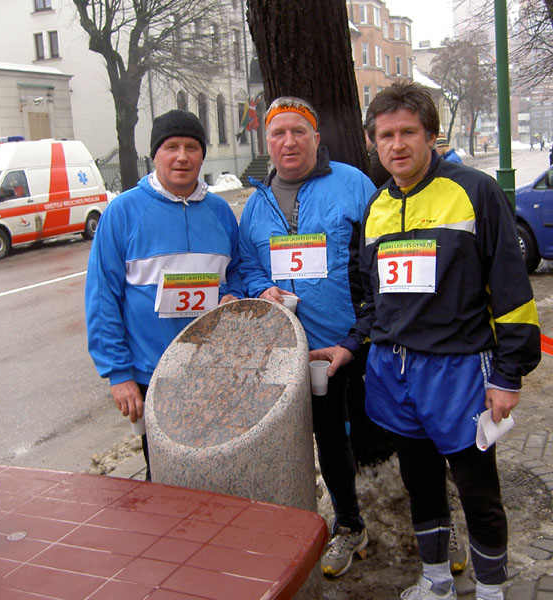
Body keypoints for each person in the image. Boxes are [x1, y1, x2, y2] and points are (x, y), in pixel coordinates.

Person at [311, 81, 541, 600]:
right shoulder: (375, 210)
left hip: (460, 372)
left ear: (431, 135)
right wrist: (355, 342)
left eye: (408, 132)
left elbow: (512, 288)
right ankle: (435, 580)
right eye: (386, 135)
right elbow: (370, 298)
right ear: (372, 142)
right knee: (421, 483)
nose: (397, 145)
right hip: (395, 374)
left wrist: (508, 376)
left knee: (478, 491)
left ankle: (490, 591)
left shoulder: (473, 191)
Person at [238, 96, 375, 578]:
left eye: (299, 131)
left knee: (404, 426)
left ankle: (437, 521)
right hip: (303, 350)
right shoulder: (255, 205)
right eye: (278, 133)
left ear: (317, 139)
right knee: (327, 438)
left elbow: (377, 257)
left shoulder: (353, 184)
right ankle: (349, 524)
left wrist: (367, 325)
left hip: (361, 338)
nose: (289, 141)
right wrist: (262, 288)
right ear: (267, 142)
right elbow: (246, 267)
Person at [85, 109, 243, 480]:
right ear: (155, 154)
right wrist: (118, 373)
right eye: (171, 146)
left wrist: (233, 293)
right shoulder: (123, 212)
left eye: (191, 147)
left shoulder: (220, 212)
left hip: (213, 369)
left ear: (202, 155)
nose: (182, 156)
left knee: (217, 468)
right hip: (153, 372)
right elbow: (102, 297)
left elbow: (236, 270)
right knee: (167, 477)